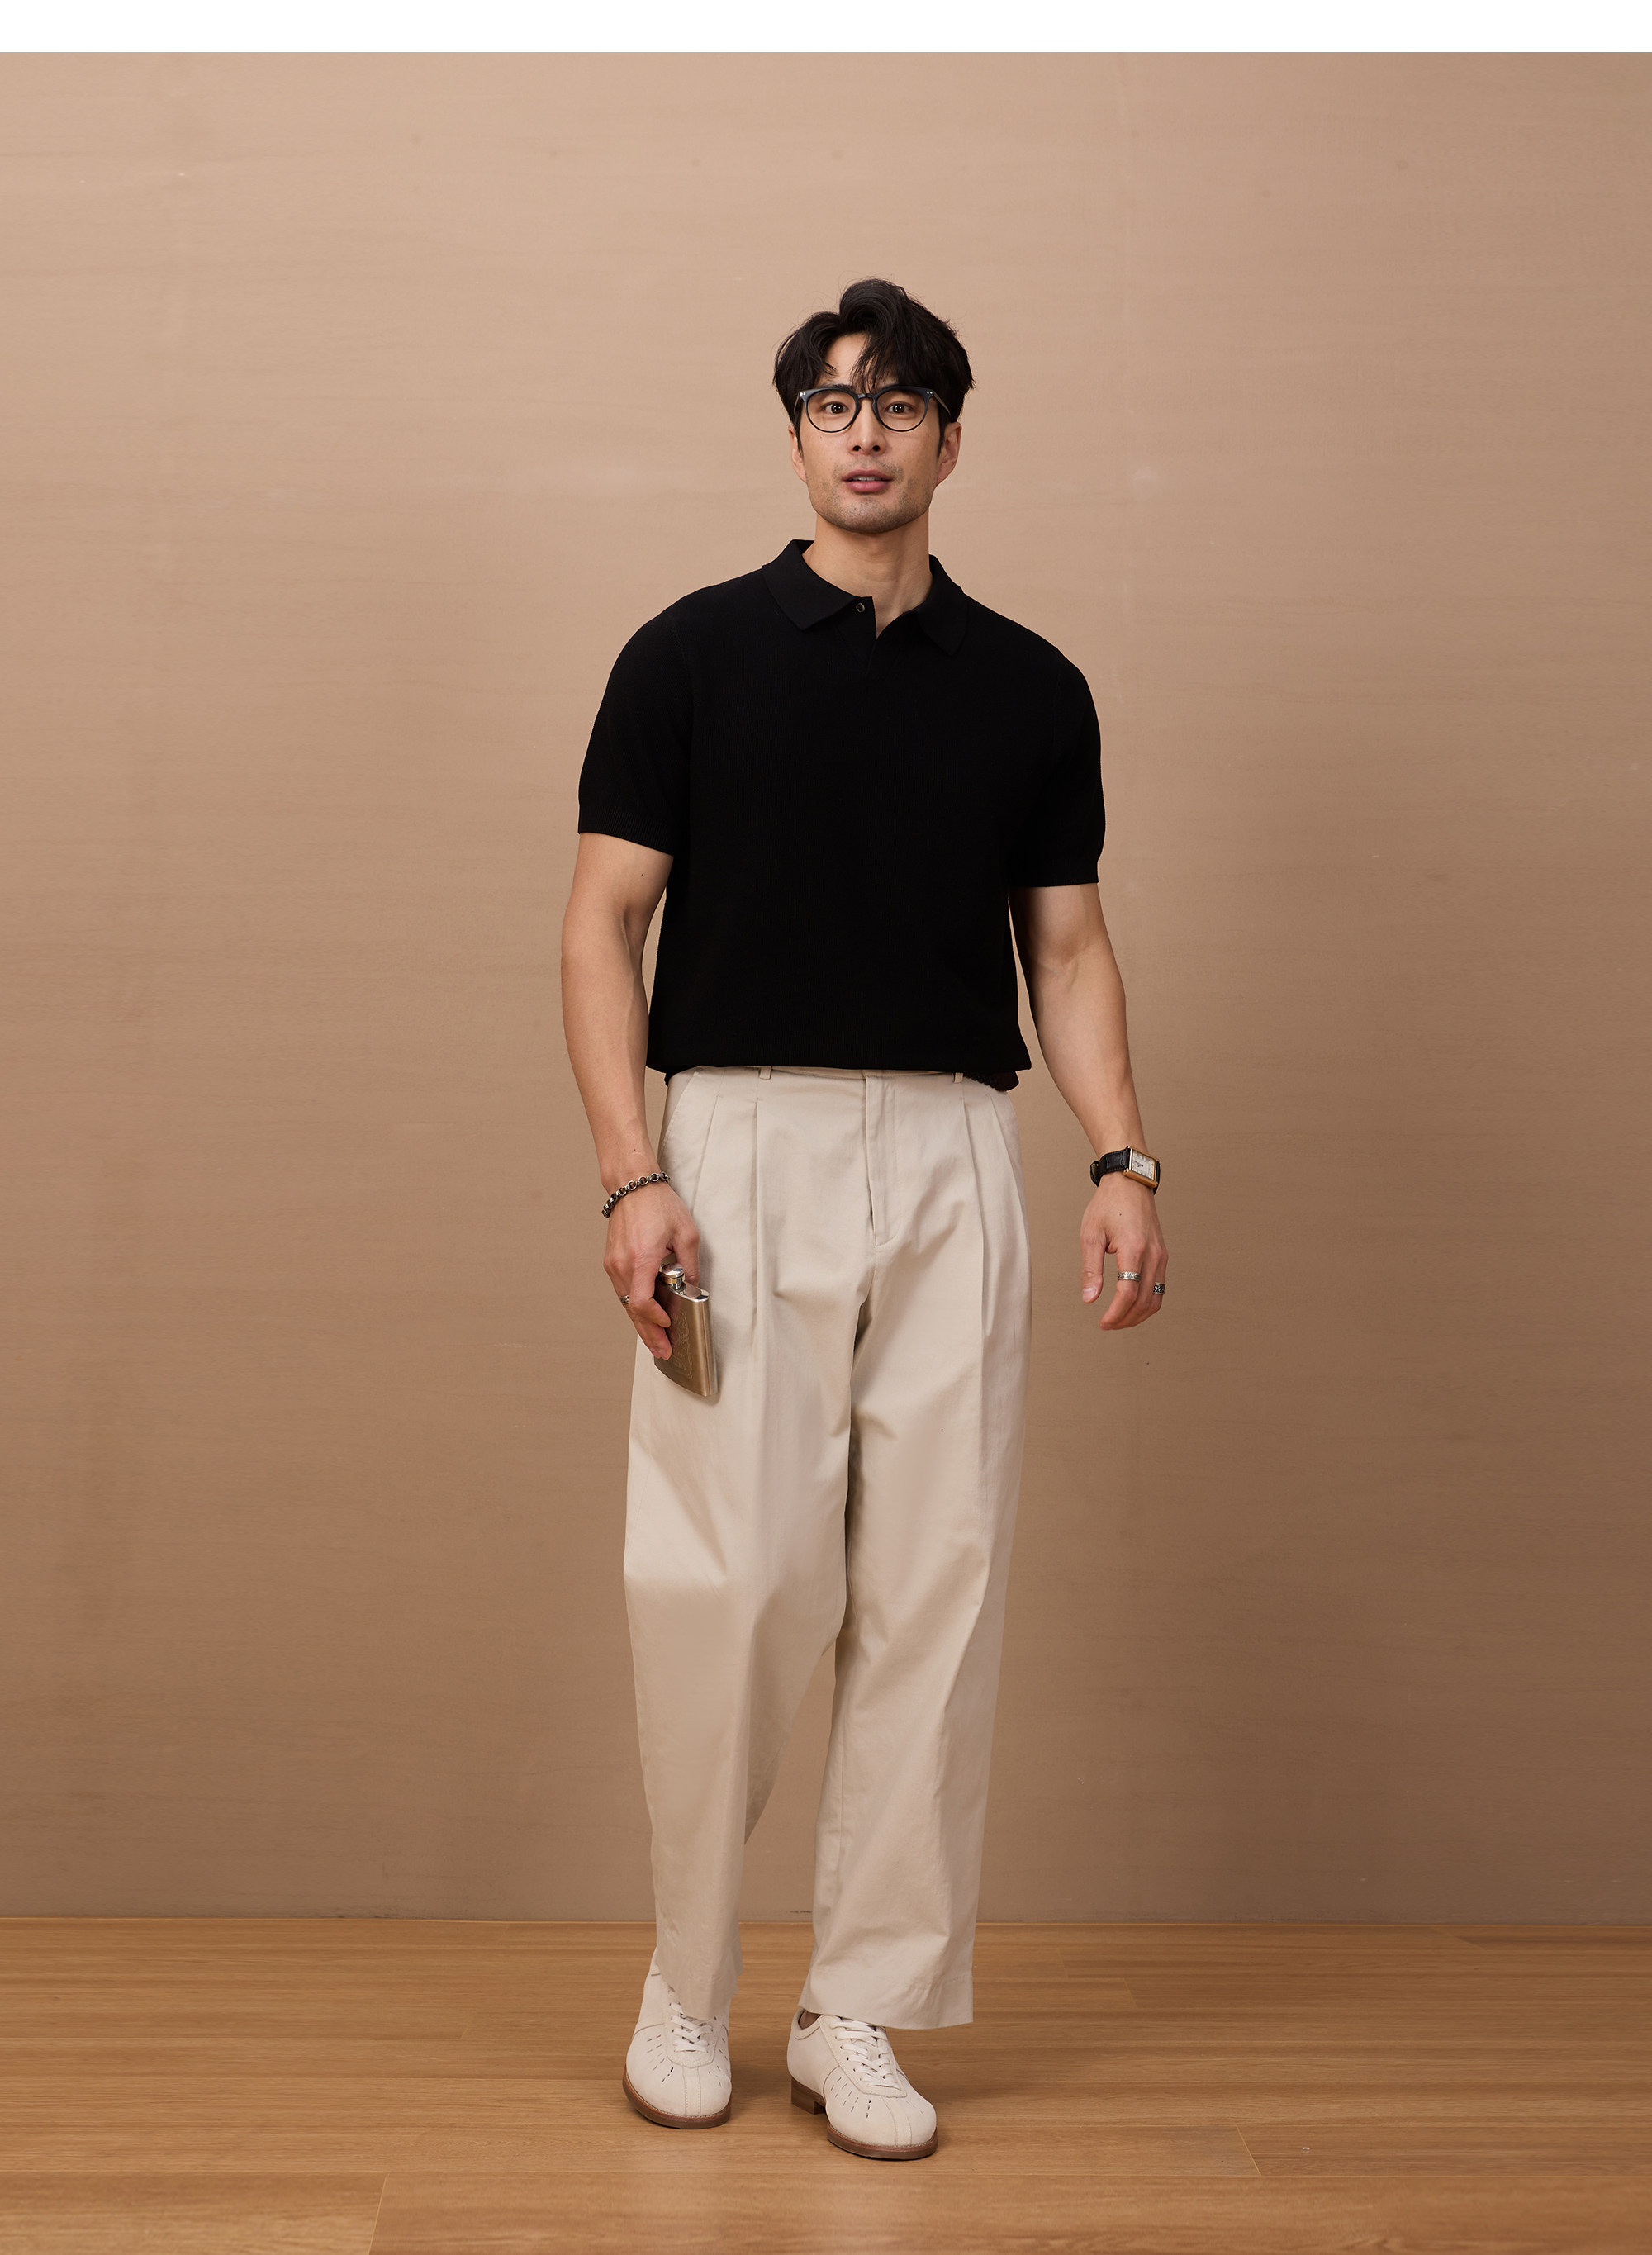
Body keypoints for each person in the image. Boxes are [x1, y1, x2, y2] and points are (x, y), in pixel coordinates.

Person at [561, 276, 1167, 2162]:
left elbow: (1067, 948)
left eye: (899, 403)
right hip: (738, 1142)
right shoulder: (687, 656)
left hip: (954, 1149)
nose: (866, 431)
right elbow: (600, 924)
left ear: (950, 438)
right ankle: (686, 1980)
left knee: (936, 1585)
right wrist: (633, 1170)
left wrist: (1122, 1156)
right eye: (833, 404)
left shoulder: (1031, 687)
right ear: (797, 438)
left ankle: (859, 2007)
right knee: (729, 1582)